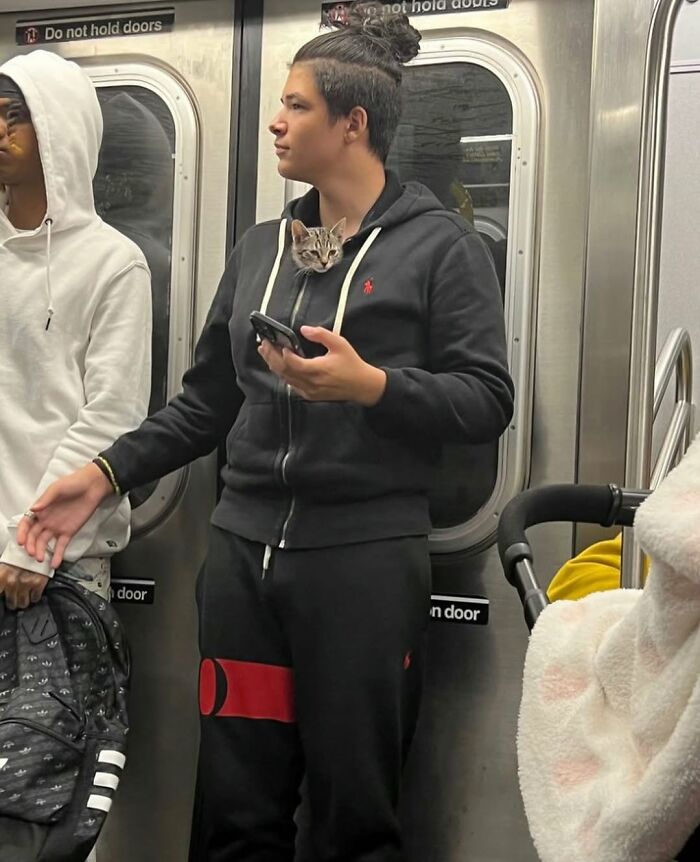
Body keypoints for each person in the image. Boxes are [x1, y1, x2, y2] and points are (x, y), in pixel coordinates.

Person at [19, 4, 514, 860]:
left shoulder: (439, 250)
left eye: (297, 107)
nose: (277, 123)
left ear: (353, 125)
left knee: (354, 812)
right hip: (243, 562)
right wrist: (102, 472)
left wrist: (371, 386)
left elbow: (485, 399)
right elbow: (205, 405)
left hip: (360, 566)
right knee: (234, 810)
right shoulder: (262, 251)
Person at [0, 50, 152, 609]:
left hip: (57, 561)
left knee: (53, 702)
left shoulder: (113, 262)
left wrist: (30, 544)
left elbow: (112, 415)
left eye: (15, 115)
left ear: (58, 128)